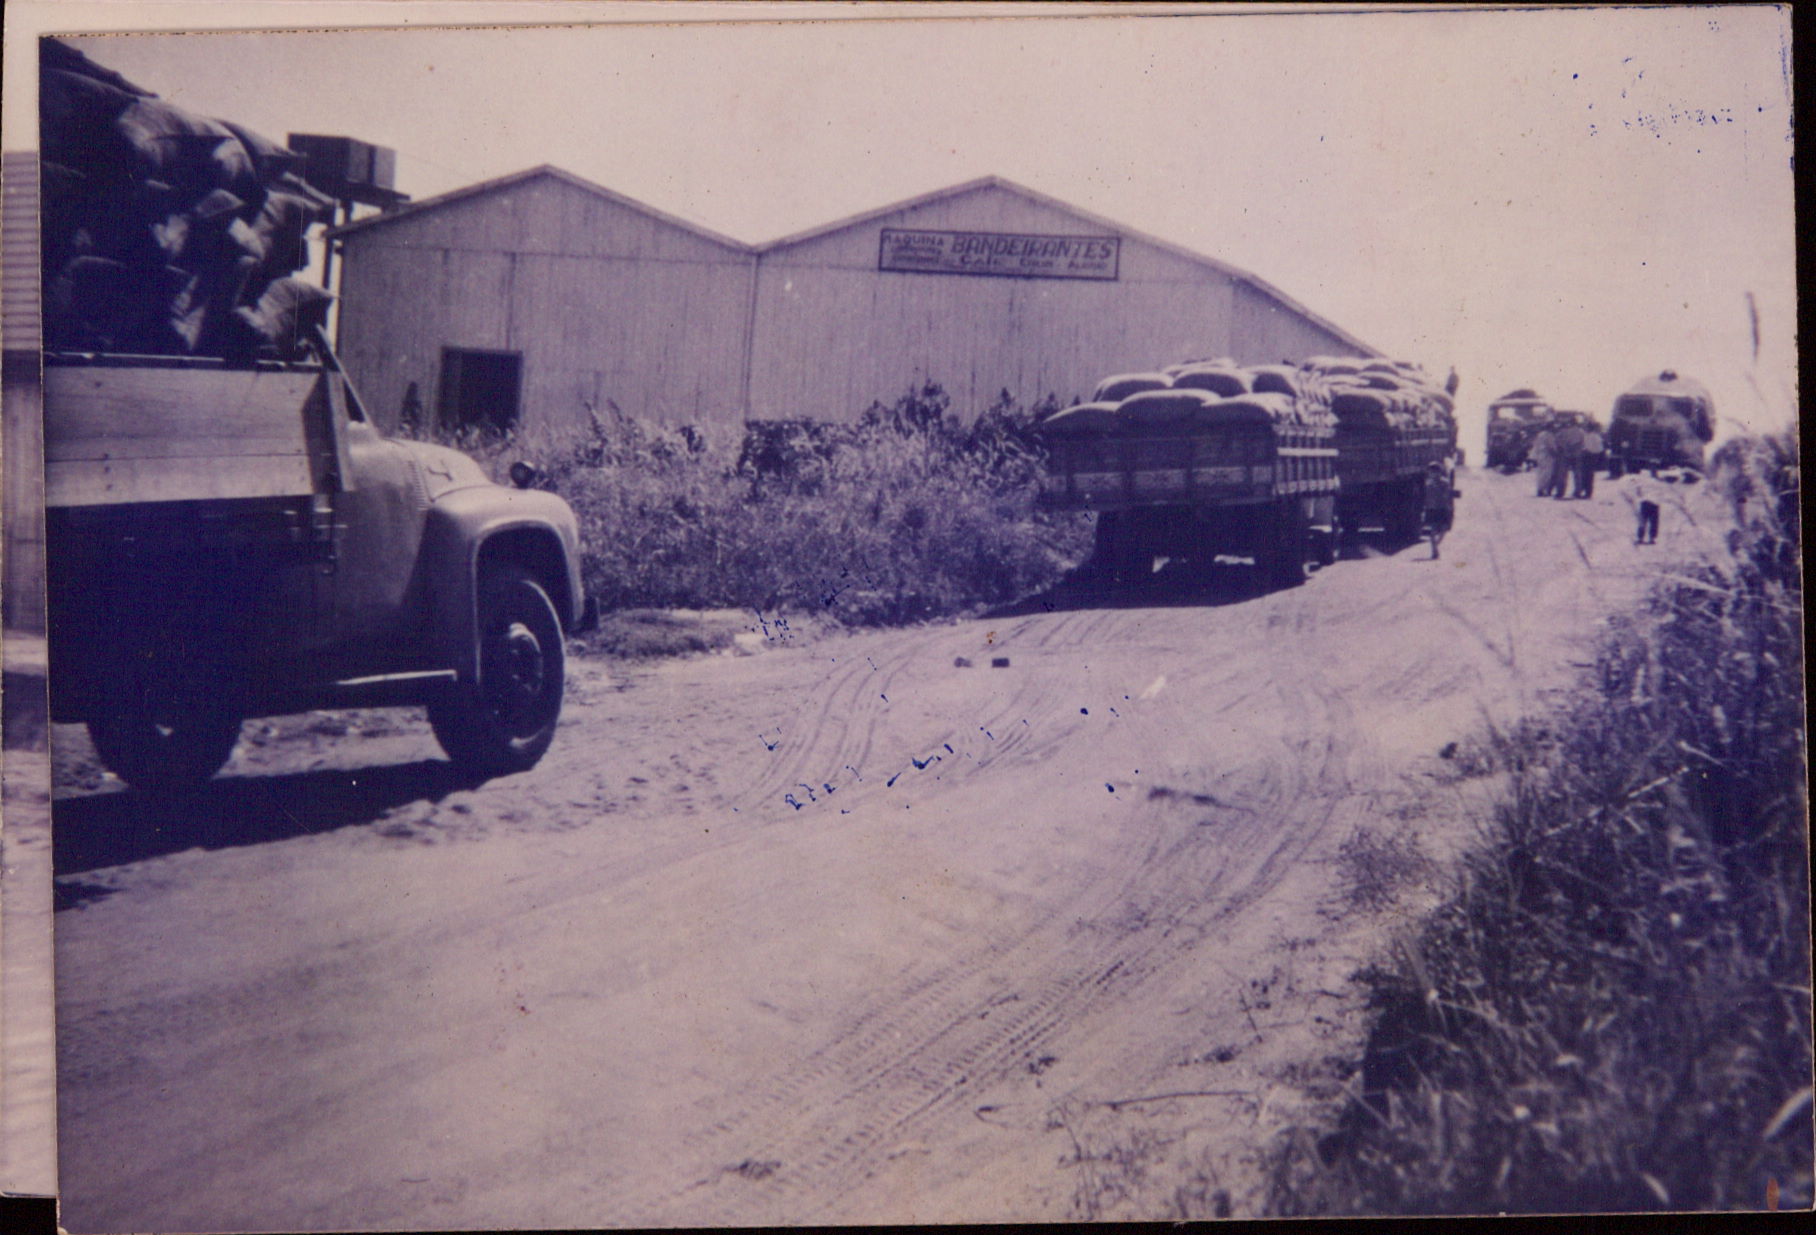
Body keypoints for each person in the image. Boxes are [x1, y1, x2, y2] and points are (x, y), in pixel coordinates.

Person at [1422, 460, 1456, 559]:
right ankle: (1434, 550)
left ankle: (1435, 545)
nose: (1433, 473)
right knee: (1432, 529)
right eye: (1431, 471)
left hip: (1442, 507)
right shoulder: (1428, 483)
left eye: (1435, 471)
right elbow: (1426, 496)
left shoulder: (1445, 482)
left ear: (1439, 472)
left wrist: (1449, 506)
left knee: (1444, 528)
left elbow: (1447, 495)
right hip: (1432, 508)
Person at [1553, 419, 1585, 500]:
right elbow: (1583, 444)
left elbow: (1557, 442)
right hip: (1577, 454)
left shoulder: (1563, 432)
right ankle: (1578, 492)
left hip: (1565, 454)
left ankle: (1560, 492)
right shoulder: (1581, 432)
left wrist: (1563, 448)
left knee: (1562, 474)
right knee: (1577, 474)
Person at [1530, 426, 1559, 498]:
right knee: (1547, 473)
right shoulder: (1549, 435)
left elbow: (1535, 445)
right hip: (1547, 455)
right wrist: (1555, 455)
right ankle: (1542, 490)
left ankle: (1540, 489)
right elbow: (1551, 447)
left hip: (1539, 455)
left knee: (1541, 473)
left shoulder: (1540, 434)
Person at [1577, 425, 1604, 498]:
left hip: (1590, 457)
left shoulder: (1595, 437)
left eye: (1587, 427)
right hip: (1586, 456)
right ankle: (1584, 491)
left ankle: (1588, 492)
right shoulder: (1586, 436)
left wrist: (1591, 452)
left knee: (1588, 475)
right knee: (1584, 475)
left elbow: (1599, 448)